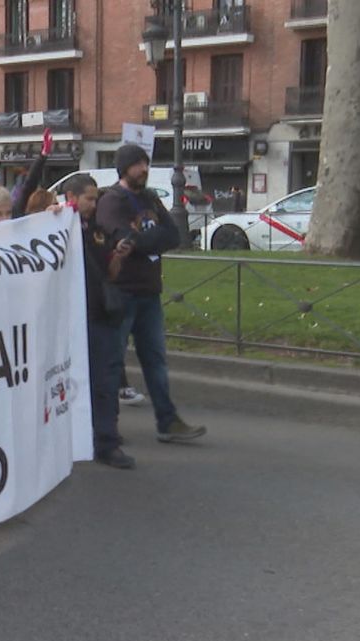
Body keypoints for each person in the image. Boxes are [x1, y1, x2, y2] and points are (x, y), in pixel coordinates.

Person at [95, 144, 206, 443]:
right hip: (121, 293)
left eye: (146, 163)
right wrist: (147, 241)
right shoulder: (111, 201)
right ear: (124, 168)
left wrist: (146, 241)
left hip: (149, 292)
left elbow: (174, 235)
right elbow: (125, 238)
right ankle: (105, 428)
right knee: (112, 363)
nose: (144, 168)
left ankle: (168, 422)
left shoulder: (151, 198)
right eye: (137, 164)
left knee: (155, 360)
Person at [63, 174, 136, 469]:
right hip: (70, 318)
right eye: (89, 198)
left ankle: (107, 441)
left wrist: (118, 256)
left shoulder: (97, 231)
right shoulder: (56, 226)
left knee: (106, 380)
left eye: (96, 199)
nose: (94, 204)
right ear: (72, 197)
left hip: (99, 315)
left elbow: (110, 272)